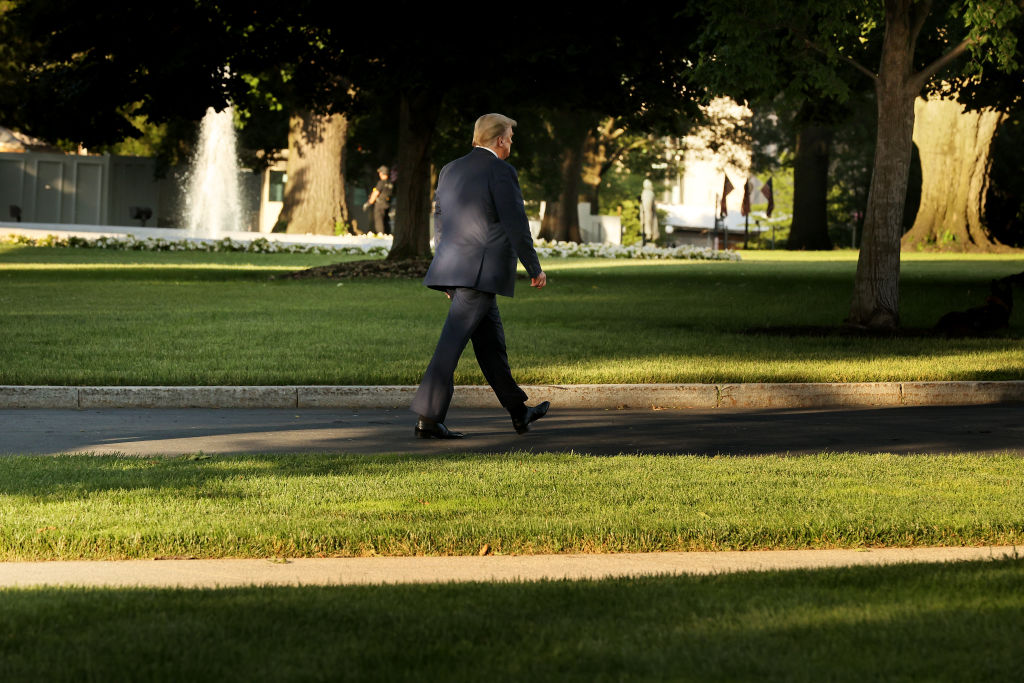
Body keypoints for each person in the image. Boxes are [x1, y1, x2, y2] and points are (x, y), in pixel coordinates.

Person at [410, 113, 549, 439]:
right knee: (450, 346)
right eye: (511, 137)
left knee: (491, 347)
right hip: (480, 273)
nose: (511, 143)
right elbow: (516, 224)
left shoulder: (450, 169)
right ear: (500, 139)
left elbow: (440, 223)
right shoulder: (501, 171)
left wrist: (446, 275)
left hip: (458, 270)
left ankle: (519, 413)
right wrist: (534, 267)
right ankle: (427, 420)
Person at [365, 165, 394, 234]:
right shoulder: (391, 183)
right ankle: (387, 234)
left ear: (382, 173)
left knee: (379, 220)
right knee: (386, 220)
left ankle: (381, 234)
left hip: (380, 204)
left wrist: (369, 203)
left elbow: (376, 193)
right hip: (387, 204)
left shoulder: (381, 183)